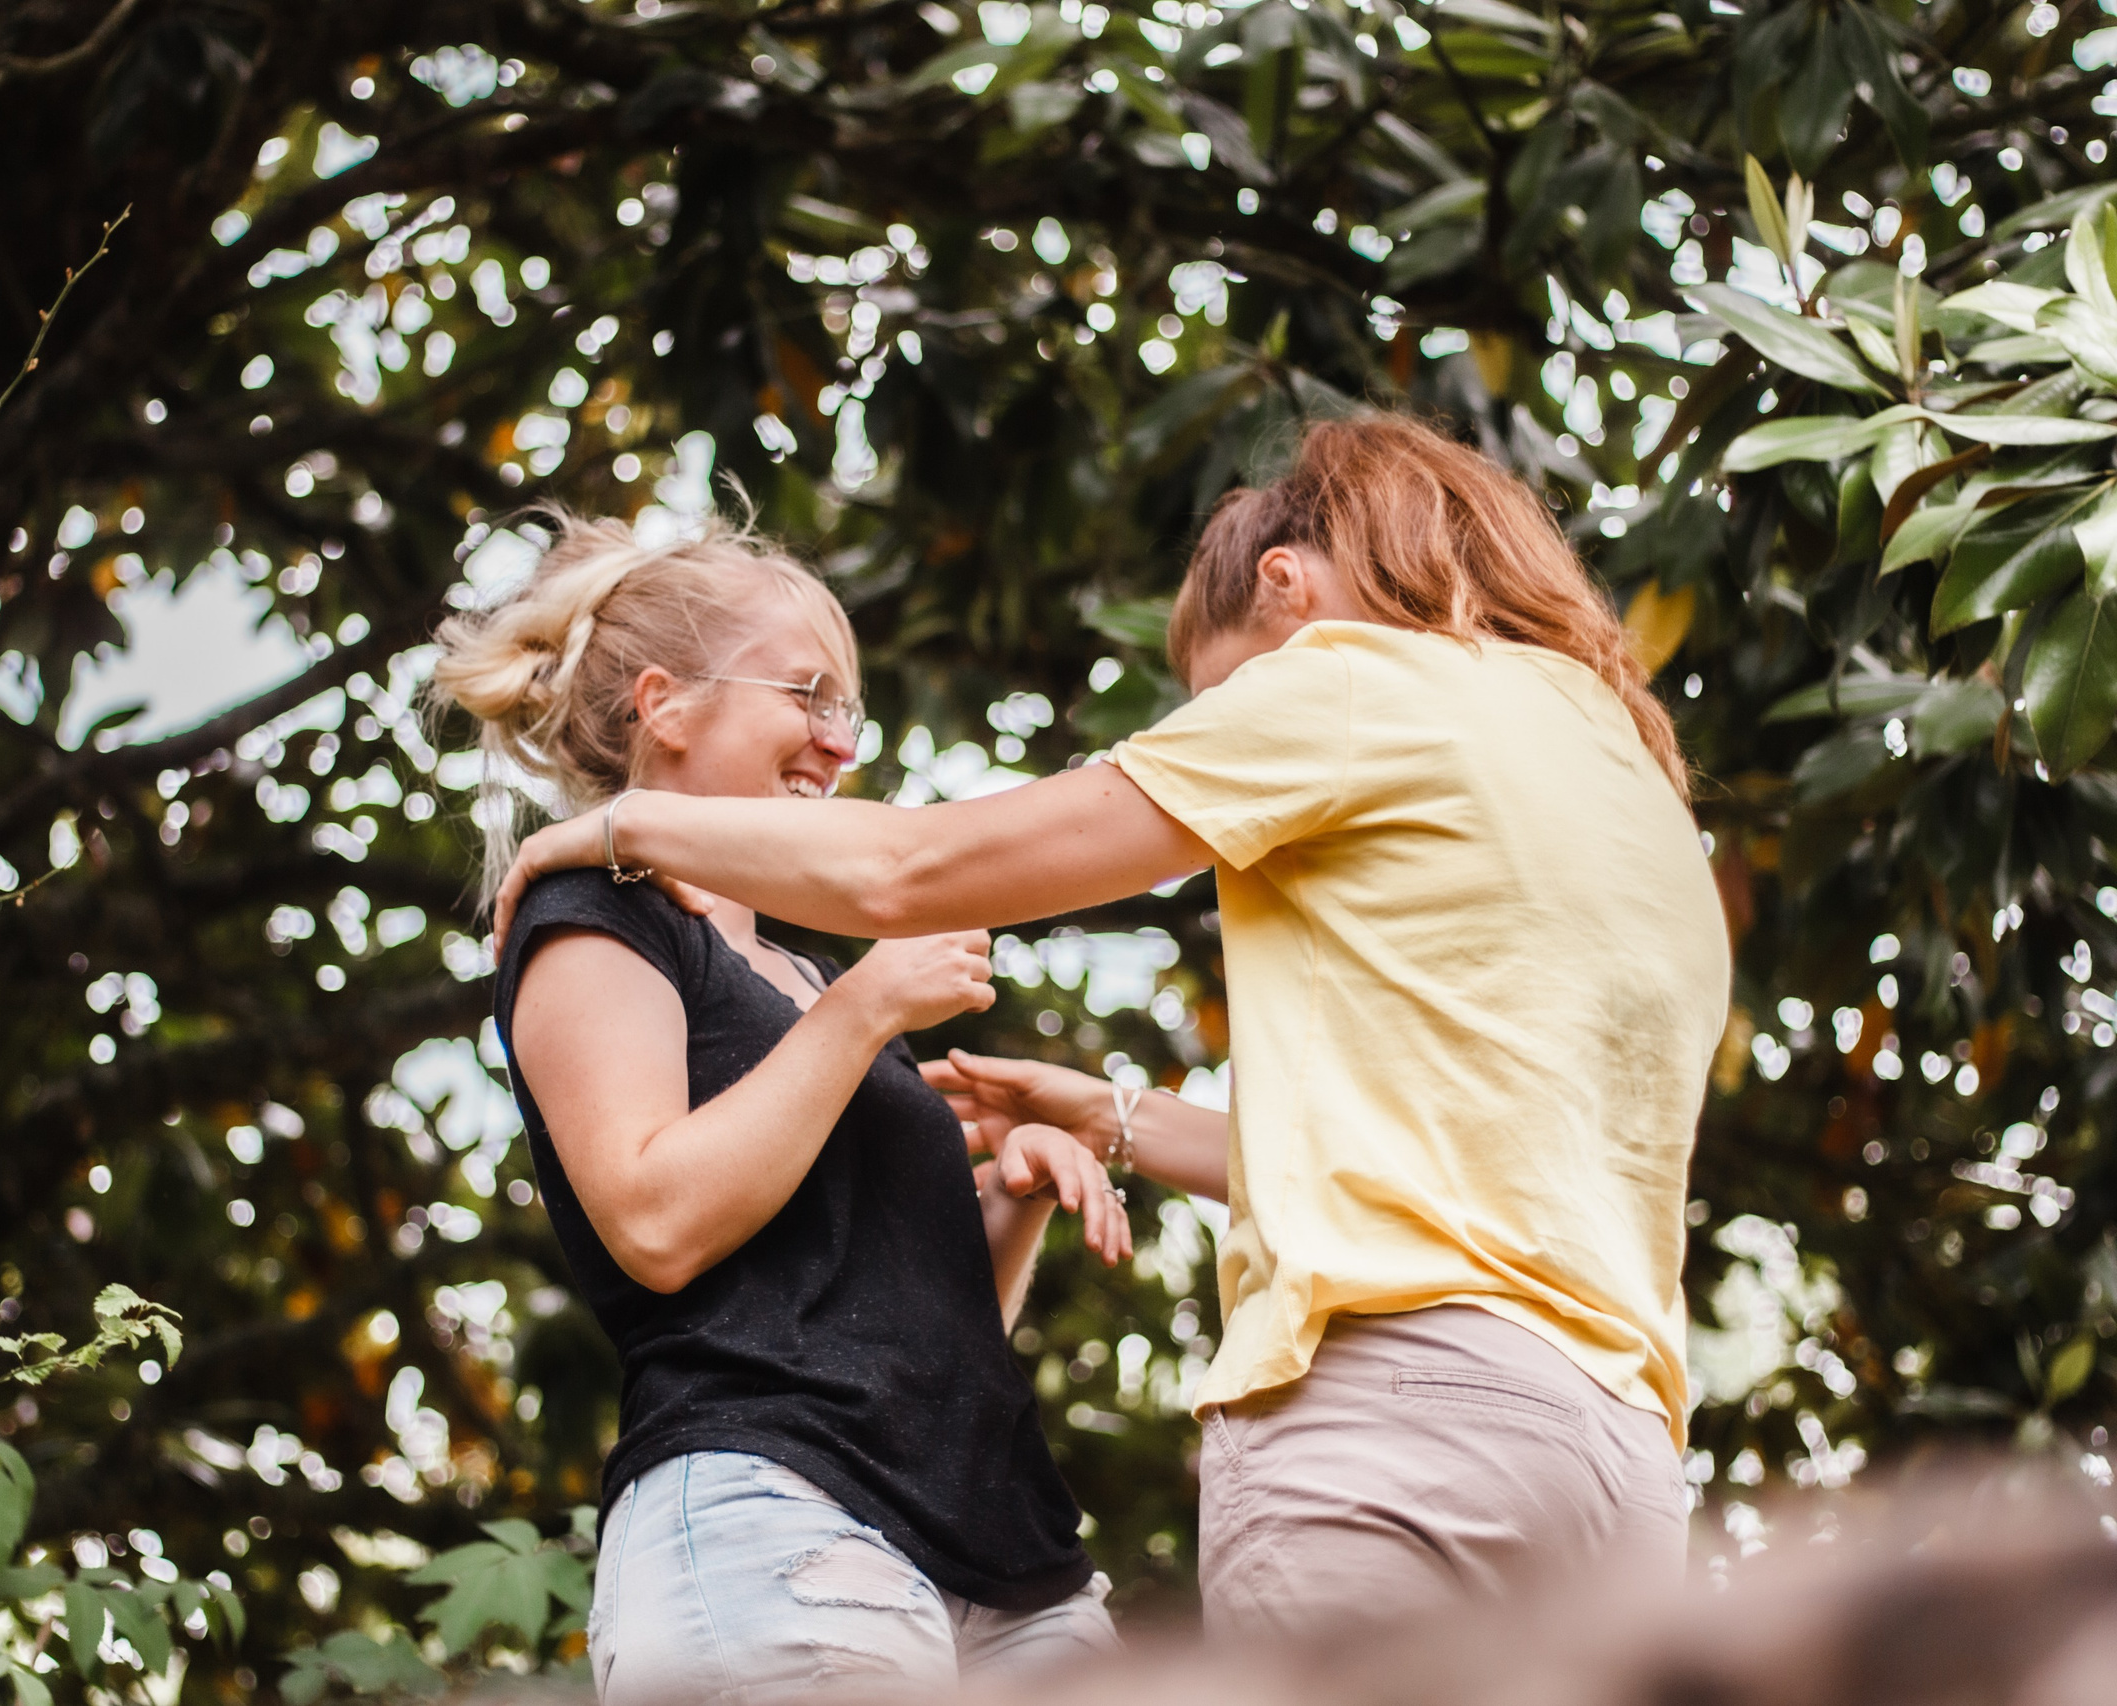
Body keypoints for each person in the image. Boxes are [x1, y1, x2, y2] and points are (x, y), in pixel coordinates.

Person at [490, 414, 1733, 1634]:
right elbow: (1421, 1166)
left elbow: (907, 870)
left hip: (1398, 1423)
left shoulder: (1352, 684)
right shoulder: (1620, 762)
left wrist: (609, 826)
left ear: (1288, 588)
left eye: (1223, 702)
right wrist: (1111, 1118)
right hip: (1616, 1444)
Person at [430, 513, 1126, 1704]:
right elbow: (652, 1221)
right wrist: (861, 1015)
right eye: (807, 695)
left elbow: (879, 1321)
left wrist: (1010, 1198)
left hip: (1004, 1557)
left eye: (846, 711)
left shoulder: (804, 975)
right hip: (774, 1510)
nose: (835, 742)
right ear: (669, 704)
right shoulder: (595, 922)